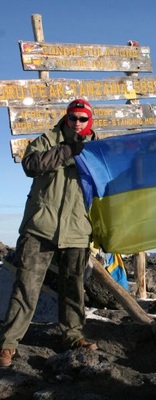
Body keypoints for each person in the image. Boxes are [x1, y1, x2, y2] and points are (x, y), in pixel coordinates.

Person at [0, 99, 98, 368]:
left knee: (74, 287)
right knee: (26, 286)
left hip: (78, 229)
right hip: (40, 227)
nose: (76, 122)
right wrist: (68, 151)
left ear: (90, 121)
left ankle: (72, 335)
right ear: (66, 118)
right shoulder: (47, 139)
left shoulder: (99, 149)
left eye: (82, 118)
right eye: (72, 117)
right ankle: (8, 344)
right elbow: (31, 165)